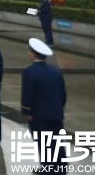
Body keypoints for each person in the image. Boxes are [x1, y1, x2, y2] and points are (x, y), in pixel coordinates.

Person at [21, 38, 67, 172]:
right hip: (56, 113)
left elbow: (27, 94)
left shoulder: (29, 71)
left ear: (33, 54)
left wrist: (26, 112)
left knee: (44, 143)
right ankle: (61, 168)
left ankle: (49, 169)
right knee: (57, 142)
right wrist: (59, 107)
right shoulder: (55, 71)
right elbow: (63, 93)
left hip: (39, 114)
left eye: (30, 51)